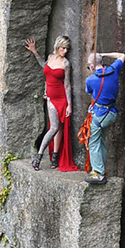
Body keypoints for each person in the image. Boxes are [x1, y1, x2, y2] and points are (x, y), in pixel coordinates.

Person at [25, 35, 80, 172]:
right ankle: (48, 157)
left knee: (56, 127)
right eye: (63, 48)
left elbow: (67, 84)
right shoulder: (51, 57)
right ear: (57, 46)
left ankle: (43, 156)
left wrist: (69, 105)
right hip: (50, 98)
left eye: (67, 49)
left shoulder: (66, 63)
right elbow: (44, 66)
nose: (65, 51)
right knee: (56, 127)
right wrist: (35, 52)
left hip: (61, 98)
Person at [83, 51, 125, 184]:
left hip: (100, 115)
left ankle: (98, 173)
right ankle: (101, 167)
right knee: (101, 140)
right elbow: (121, 56)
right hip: (112, 113)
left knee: (93, 142)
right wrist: (104, 54)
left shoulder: (91, 80)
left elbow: (89, 91)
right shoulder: (113, 70)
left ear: (91, 65)